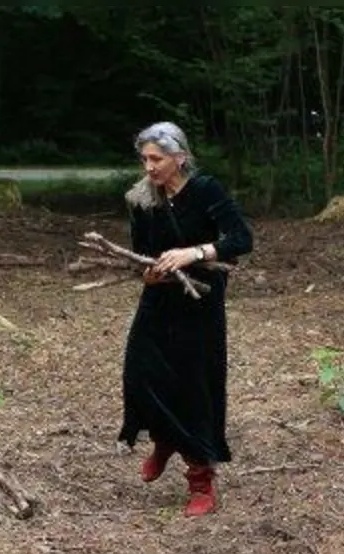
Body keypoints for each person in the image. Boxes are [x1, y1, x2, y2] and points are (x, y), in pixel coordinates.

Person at [118, 121, 253, 517]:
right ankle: (164, 439)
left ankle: (201, 481)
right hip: (158, 301)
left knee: (195, 387)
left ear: (179, 157)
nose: (149, 167)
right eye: (144, 158)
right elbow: (141, 253)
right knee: (141, 374)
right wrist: (148, 273)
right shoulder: (142, 199)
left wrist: (195, 252)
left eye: (156, 159)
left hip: (200, 305)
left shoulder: (206, 191)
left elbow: (240, 239)